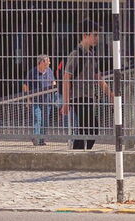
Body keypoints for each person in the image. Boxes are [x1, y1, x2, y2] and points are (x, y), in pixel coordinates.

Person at [60, 20, 113, 150]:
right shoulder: (75, 55)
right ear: (85, 35)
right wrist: (66, 102)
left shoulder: (92, 55)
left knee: (91, 129)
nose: (97, 38)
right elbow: (66, 78)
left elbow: (98, 78)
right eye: (94, 35)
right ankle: (77, 154)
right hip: (79, 97)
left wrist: (110, 93)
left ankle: (79, 153)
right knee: (87, 128)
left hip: (89, 97)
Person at [22, 54, 57, 146]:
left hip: (47, 100)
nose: (49, 63)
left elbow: (53, 82)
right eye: (47, 61)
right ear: (41, 62)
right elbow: (25, 86)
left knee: (45, 120)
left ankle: (42, 139)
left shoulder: (49, 71)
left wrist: (54, 86)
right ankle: (36, 138)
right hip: (35, 100)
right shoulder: (32, 72)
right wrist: (28, 99)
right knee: (37, 118)